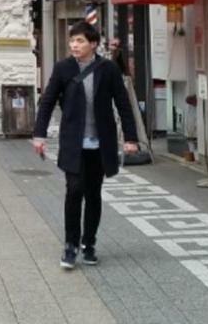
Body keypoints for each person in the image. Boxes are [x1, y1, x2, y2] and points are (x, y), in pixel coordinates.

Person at [32, 22, 139, 270]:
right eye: (72, 41)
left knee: (93, 194)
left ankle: (88, 243)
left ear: (93, 44)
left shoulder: (108, 69)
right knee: (74, 190)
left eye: (79, 41)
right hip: (73, 142)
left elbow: (123, 104)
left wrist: (131, 139)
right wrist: (39, 134)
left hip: (101, 143)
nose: (74, 45)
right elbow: (47, 102)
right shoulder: (63, 68)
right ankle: (70, 245)